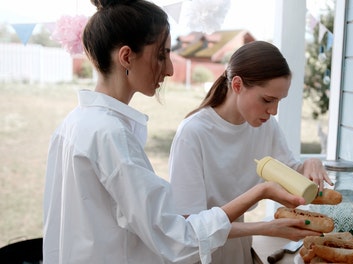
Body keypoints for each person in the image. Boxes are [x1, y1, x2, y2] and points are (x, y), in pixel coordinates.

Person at [42, 1, 322, 263]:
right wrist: (260, 194)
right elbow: (178, 237)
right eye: (161, 54)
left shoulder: (75, 124)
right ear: (127, 57)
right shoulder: (110, 135)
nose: (170, 68)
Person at [168, 41, 332, 264]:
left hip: (241, 253)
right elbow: (191, 228)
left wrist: (310, 164)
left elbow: (290, 176)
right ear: (237, 85)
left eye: (279, 101)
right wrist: (267, 228)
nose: (273, 111)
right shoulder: (193, 133)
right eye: (267, 100)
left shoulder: (265, 126)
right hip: (201, 257)